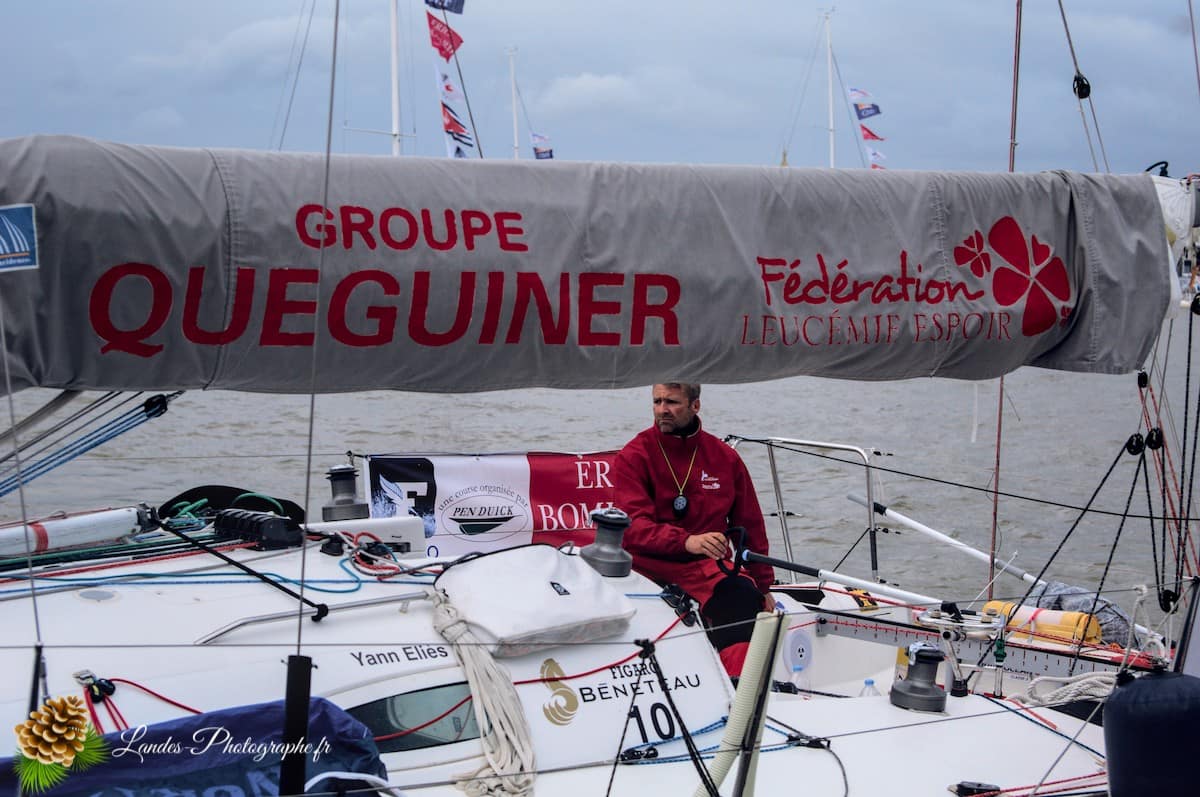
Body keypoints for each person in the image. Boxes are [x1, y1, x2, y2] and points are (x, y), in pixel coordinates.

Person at [612, 382, 774, 677]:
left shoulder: (725, 457)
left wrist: (764, 587)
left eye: (672, 402)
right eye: (657, 401)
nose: (663, 410)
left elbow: (751, 527)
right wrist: (687, 542)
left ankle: (739, 691)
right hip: (649, 565)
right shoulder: (634, 455)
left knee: (740, 597)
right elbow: (632, 527)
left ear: (695, 406)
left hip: (707, 568)